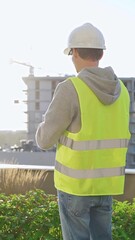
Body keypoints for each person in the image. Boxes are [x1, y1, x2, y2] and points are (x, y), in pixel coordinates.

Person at [35, 23, 131, 240]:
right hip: (106, 186)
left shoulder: (70, 88)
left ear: (75, 52)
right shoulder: (122, 92)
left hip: (76, 188)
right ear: (101, 53)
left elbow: (44, 140)